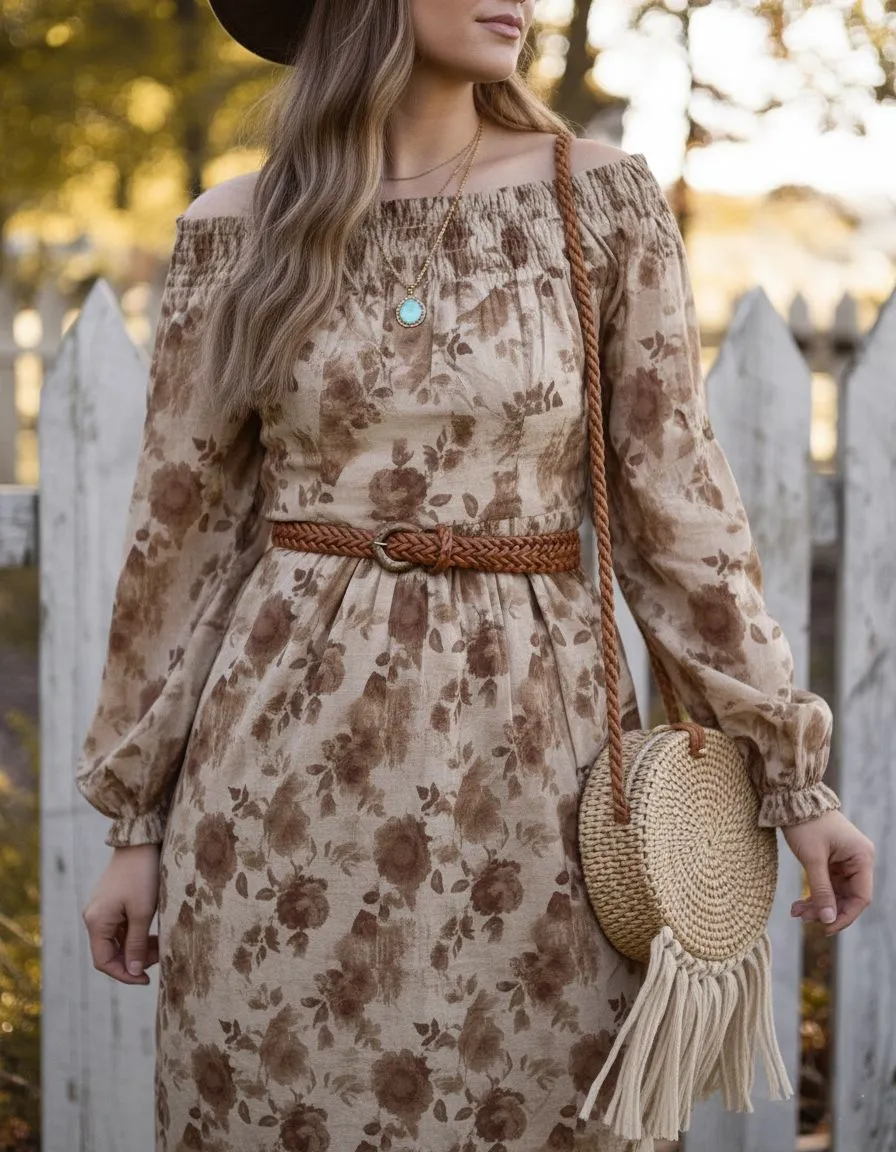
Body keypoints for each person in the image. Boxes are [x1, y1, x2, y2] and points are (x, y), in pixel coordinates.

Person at [75, 2, 875, 1150]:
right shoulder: (237, 229)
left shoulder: (591, 197)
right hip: (275, 785)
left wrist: (793, 781)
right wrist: (135, 826)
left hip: (538, 777)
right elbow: (180, 544)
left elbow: (679, 514)